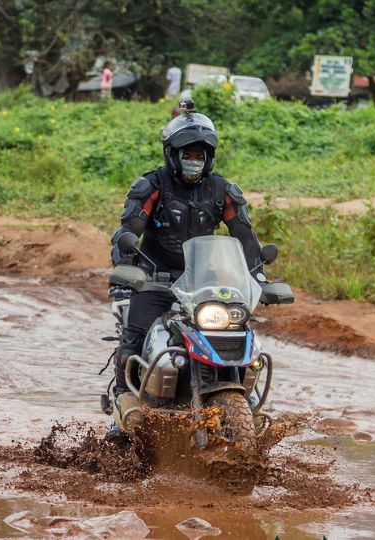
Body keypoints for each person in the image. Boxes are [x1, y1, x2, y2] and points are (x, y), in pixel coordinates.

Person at [105, 101, 263, 438]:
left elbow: (245, 239)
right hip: (154, 279)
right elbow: (127, 232)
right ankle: (123, 401)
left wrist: (259, 276)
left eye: (200, 155)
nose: (195, 161)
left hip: (202, 282)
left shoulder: (223, 191)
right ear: (172, 154)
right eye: (188, 154)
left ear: (209, 157)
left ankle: (246, 408)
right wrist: (126, 272)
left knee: (236, 332)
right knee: (134, 335)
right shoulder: (152, 187)